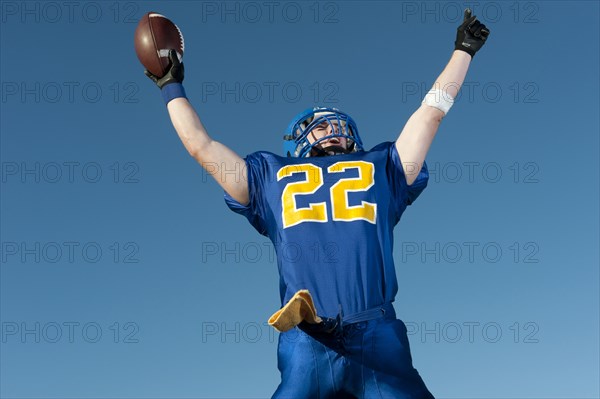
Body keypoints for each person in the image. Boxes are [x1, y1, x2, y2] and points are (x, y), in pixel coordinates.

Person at [144, 9, 489, 399]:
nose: (335, 129)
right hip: (309, 336)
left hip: (374, 330)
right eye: (322, 125)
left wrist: (463, 51)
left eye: (335, 123)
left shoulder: (381, 167)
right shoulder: (268, 176)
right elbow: (201, 147)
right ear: (298, 141)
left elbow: (430, 116)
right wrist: (170, 85)